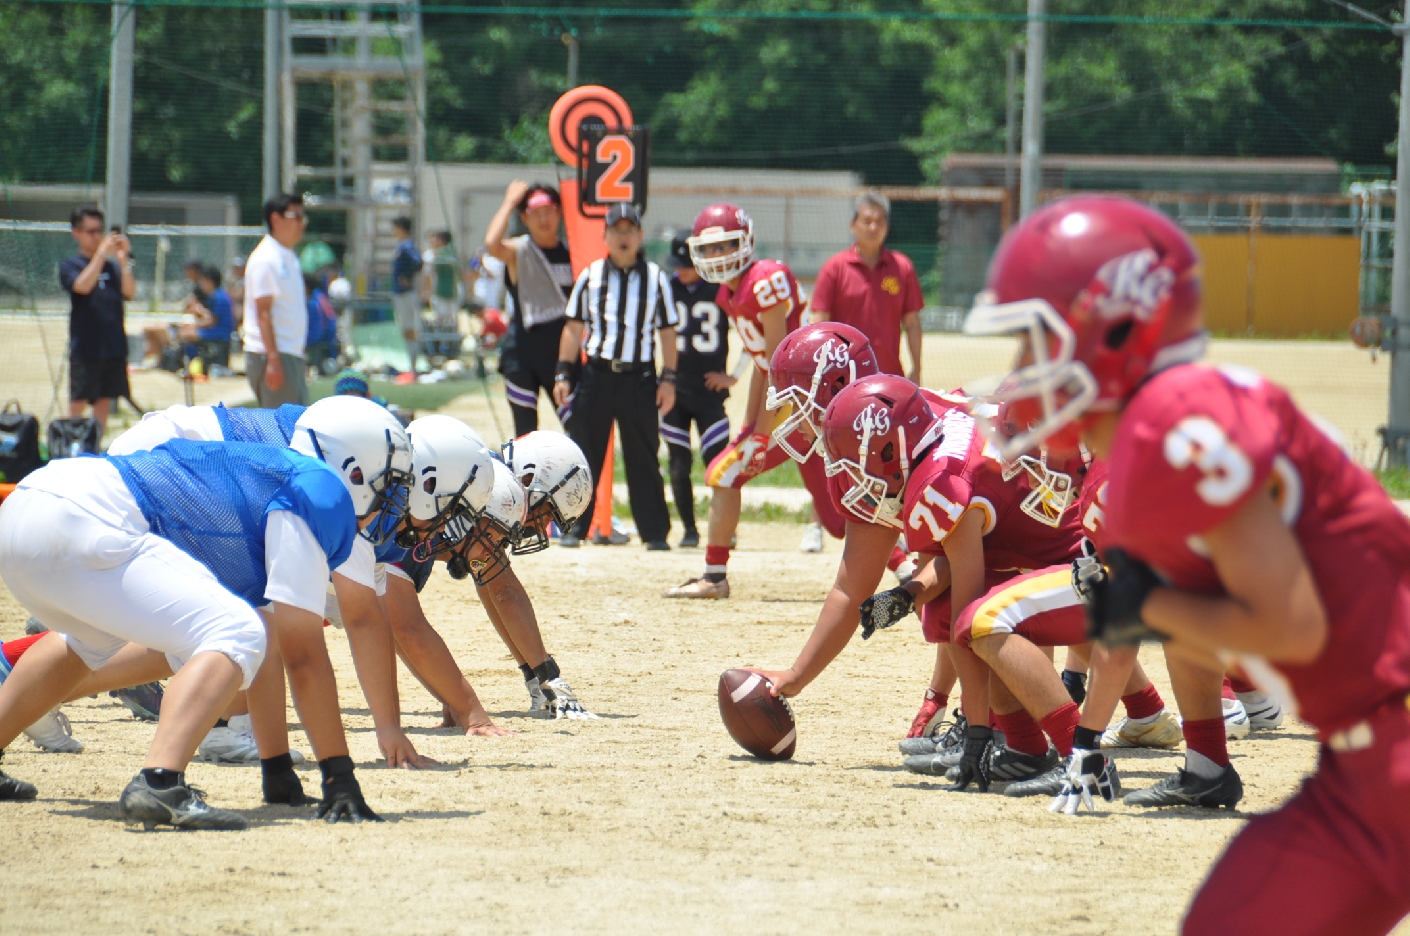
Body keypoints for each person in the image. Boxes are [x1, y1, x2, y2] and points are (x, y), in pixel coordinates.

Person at [966, 195, 1410, 932]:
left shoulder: (1178, 430)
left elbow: (1292, 626)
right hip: (1364, 763)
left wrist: (1146, 605)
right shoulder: (1160, 432)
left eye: (1036, 342)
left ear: (1111, 330)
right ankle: (1209, 762)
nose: (1021, 370)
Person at [0, 398, 410, 827]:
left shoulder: (264, 475)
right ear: (355, 469)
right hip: (83, 520)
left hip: (32, 509)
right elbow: (303, 656)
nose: (395, 499)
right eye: (392, 482)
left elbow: (270, 637)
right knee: (236, 630)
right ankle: (160, 782)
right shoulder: (316, 489)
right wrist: (340, 778)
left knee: (90, 642)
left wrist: (277, 769)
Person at [664, 203, 849, 599]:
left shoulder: (764, 280)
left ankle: (714, 578)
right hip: (796, 406)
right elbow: (765, 368)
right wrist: (750, 429)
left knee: (725, 473)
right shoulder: (732, 292)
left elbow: (781, 367)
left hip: (804, 408)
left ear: (745, 242)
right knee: (838, 517)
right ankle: (908, 569)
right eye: (709, 249)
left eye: (725, 246)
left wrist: (761, 436)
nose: (716, 256)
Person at [551, 203, 680, 550]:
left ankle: (654, 533)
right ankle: (576, 527)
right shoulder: (590, 276)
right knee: (583, 454)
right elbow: (573, 328)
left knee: (643, 455)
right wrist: (564, 373)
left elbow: (668, 333)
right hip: (597, 375)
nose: (623, 236)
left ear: (640, 236)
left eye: (630, 230)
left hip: (639, 378)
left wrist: (668, 378)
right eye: (617, 230)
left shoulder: (657, 279)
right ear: (605, 235)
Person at [661, 234, 734, 548]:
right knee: (679, 464)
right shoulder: (666, 288)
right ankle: (689, 530)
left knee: (719, 462)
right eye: (678, 266)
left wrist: (735, 375)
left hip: (708, 391)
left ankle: (725, 530)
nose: (682, 272)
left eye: (687, 266)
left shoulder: (721, 289)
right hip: (675, 391)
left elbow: (752, 327)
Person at [486, 182, 575, 436]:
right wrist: (509, 203)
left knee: (577, 429)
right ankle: (525, 477)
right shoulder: (519, 250)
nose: (543, 218)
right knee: (525, 433)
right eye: (535, 213)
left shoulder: (573, 253)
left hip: (561, 357)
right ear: (524, 218)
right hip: (522, 355)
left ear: (559, 213)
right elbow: (492, 244)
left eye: (549, 211)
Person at [809, 190, 924, 383]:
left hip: (889, 378)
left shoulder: (902, 268)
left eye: (879, 222)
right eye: (867, 220)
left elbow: (912, 323)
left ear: (887, 227)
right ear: (853, 225)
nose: (873, 227)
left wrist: (917, 369)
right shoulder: (834, 268)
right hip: (842, 379)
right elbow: (820, 324)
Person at [60, 205, 133, 433]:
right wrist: (101, 253)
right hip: (86, 347)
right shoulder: (70, 265)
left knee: (104, 401)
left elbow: (129, 292)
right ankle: (69, 447)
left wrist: (123, 260)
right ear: (76, 233)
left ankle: (94, 449)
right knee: (79, 401)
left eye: (99, 231)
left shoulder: (112, 267)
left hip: (112, 345)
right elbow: (82, 286)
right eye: (90, 231)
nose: (97, 237)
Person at [244, 193, 310, 407]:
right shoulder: (266, 258)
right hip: (273, 354)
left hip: (288, 353)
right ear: (276, 219)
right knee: (281, 430)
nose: (303, 224)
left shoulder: (288, 256)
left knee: (295, 423)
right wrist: (273, 360)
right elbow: (263, 313)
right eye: (296, 217)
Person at [181, 266, 234, 372]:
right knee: (186, 331)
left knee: (185, 333)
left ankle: (190, 362)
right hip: (216, 330)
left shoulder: (219, 297)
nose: (201, 285)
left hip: (220, 332)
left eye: (203, 281)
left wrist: (194, 325)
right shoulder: (216, 295)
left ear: (210, 282)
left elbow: (212, 321)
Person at [390, 217, 424, 373]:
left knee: (410, 329)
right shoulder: (401, 245)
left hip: (406, 294)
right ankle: (412, 366)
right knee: (406, 329)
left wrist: (407, 276)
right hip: (401, 293)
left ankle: (413, 367)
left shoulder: (406, 245)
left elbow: (418, 261)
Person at [423, 230, 460, 330]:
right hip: (443, 291)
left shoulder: (445, 254)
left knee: (445, 319)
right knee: (445, 318)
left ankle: (446, 341)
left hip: (443, 291)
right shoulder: (430, 254)